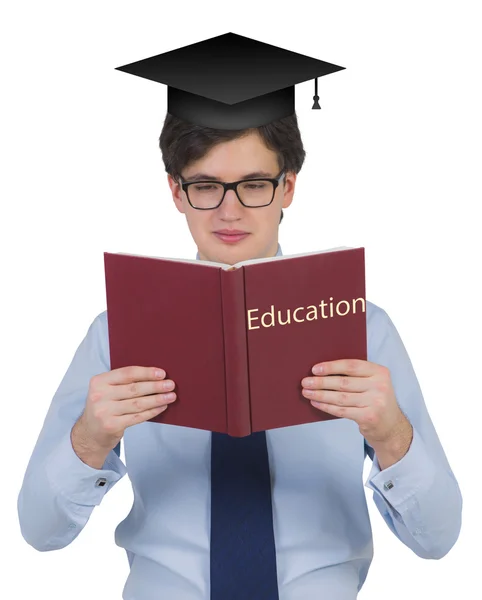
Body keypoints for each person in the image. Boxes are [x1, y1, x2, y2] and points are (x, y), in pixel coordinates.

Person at [17, 33, 462, 600]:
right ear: (176, 193)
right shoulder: (117, 333)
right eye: (206, 186)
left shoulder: (363, 327)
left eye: (254, 184)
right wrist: (89, 439)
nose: (230, 211)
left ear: (288, 188)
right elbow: (39, 532)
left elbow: (440, 539)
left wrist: (393, 435)